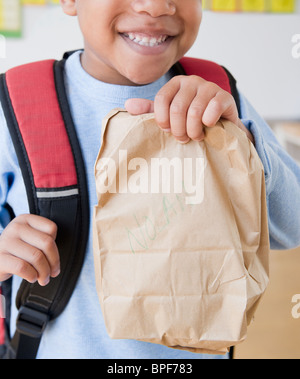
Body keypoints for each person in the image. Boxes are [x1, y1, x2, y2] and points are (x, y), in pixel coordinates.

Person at [0, 0, 299, 359]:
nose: (156, 6)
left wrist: (241, 146)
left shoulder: (218, 97)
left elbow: (292, 226)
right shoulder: (17, 105)